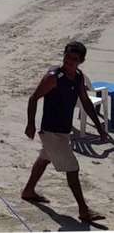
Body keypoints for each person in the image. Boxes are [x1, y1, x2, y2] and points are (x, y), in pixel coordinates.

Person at [20, 42, 107, 222]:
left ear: (81, 61)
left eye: (74, 59)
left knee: (44, 158)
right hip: (51, 131)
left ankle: (28, 191)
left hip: (63, 131)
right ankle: (84, 210)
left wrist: (100, 128)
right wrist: (30, 124)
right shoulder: (54, 77)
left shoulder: (78, 77)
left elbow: (86, 102)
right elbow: (34, 98)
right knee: (72, 168)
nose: (69, 61)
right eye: (67, 57)